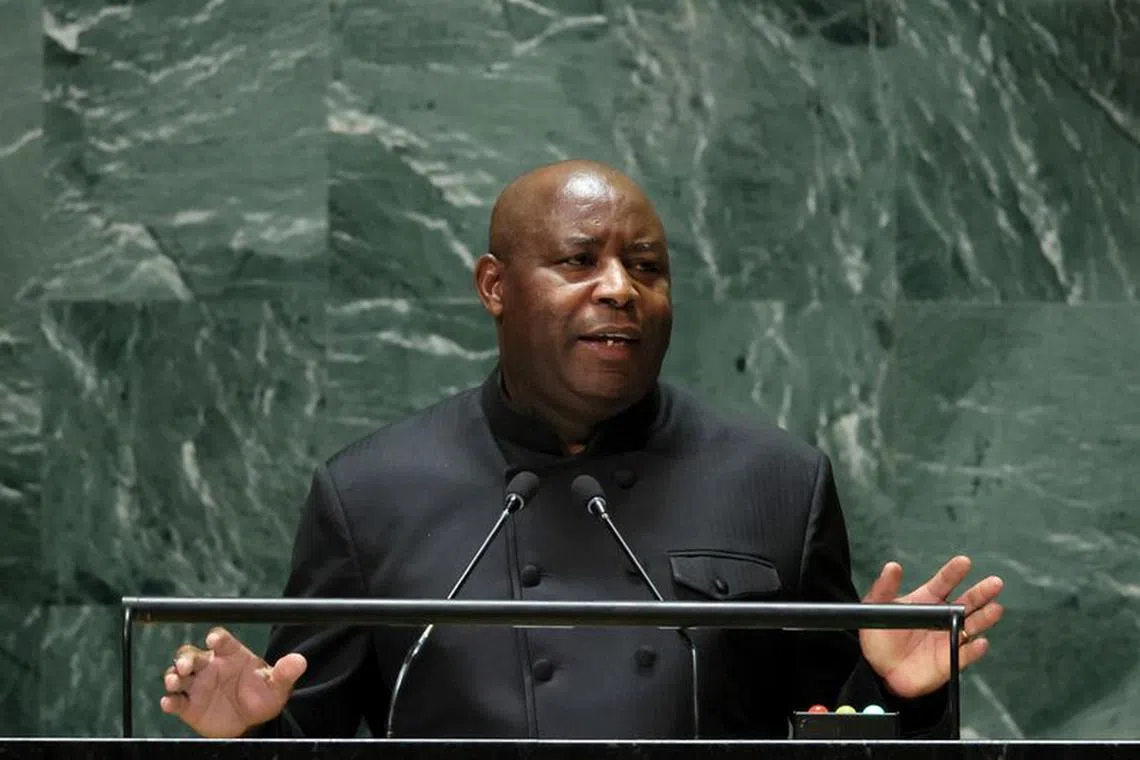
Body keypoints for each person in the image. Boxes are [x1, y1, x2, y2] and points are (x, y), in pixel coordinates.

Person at [160, 160, 1004, 740]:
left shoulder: (778, 482)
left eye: (646, 267)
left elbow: (831, 729)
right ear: (495, 286)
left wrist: (894, 690)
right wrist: (249, 734)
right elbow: (311, 738)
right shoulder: (369, 493)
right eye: (579, 260)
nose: (620, 288)